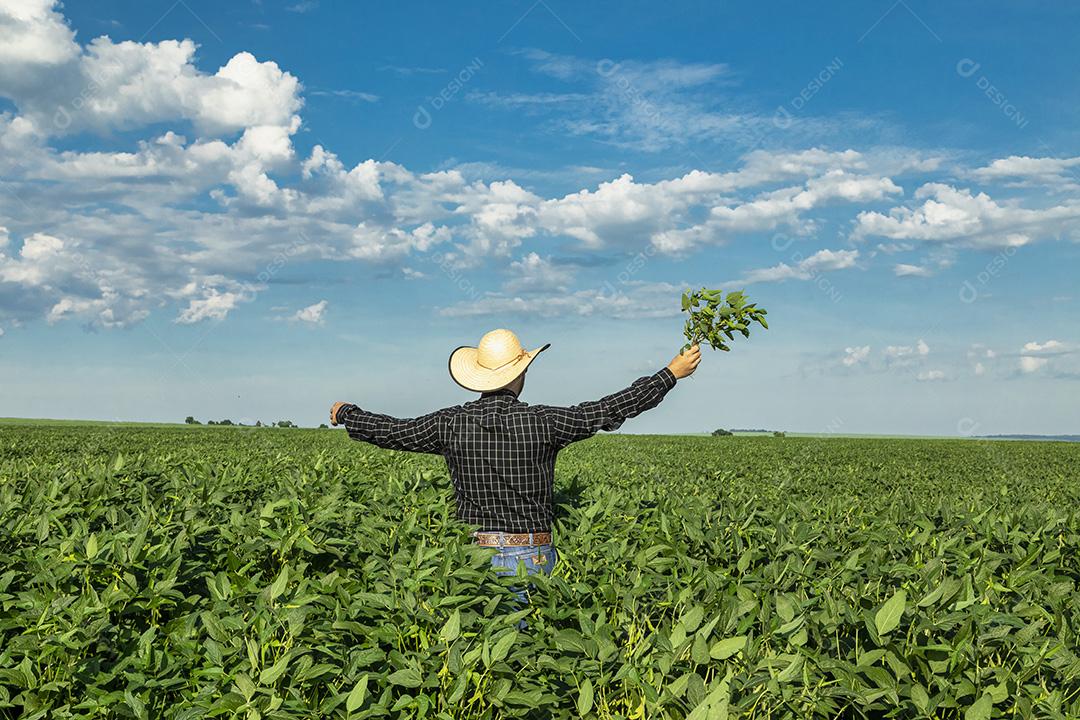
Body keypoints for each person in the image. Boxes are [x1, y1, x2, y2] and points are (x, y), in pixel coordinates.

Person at [329, 328, 701, 618]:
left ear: (478, 377)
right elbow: (607, 409)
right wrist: (670, 374)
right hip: (534, 556)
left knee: (486, 659)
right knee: (534, 660)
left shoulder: (450, 423)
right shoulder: (544, 422)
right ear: (520, 373)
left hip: (474, 557)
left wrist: (348, 413)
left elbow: (394, 431)